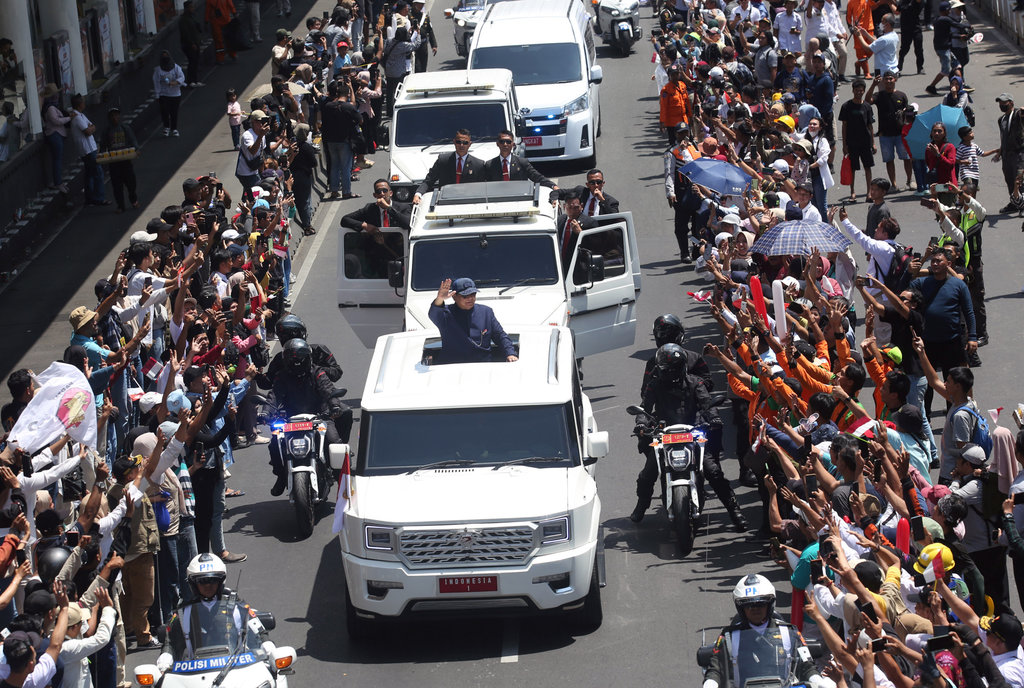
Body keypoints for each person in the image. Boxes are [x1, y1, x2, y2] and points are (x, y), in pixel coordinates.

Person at [633, 343, 748, 531]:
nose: (670, 373)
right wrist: (641, 423)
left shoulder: (696, 382)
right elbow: (644, 408)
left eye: (674, 368)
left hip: (694, 431)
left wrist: (714, 418)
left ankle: (734, 511)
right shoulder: (654, 385)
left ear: (682, 367)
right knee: (648, 473)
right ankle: (642, 505)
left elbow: (707, 403)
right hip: (665, 433)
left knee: (713, 471)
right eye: (666, 369)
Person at [701, 575, 828, 688]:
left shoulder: (790, 633)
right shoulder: (729, 636)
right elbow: (716, 667)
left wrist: (817, 679)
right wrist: (710, 682)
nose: (755, 609)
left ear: (770, 604)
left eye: (761, 604)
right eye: (749, 605)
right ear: (741, 608)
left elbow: (806, 665)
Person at [268, 338, 352, 495]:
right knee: (274, 443)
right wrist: (265, 413)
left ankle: (339, 476)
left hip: (320, 417)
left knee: (335, 442)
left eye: (300, 359)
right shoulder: (282, 376)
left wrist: (334, 405)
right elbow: (273, 397)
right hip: (291, 420)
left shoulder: (317, 372)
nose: (297, 363)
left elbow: (328, 389)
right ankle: (281, 476)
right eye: (293, 359)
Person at [161, 554, 267, 664]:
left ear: (221, 581)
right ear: (193, 583)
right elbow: (170, 643)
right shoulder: (183, 614)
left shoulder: (238, 607)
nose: (208, 586)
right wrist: (164, 658)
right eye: (202, 581)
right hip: (193, 676)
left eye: (212, 580)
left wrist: (268, 647)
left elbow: (261, 633)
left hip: (236, 670)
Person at [428, 278, 517, 364]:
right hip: (453, 366)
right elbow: (434, 313)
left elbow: (500, 336)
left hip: (483, 365)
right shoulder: (445, 314)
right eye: (465, 296)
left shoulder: (486, 312)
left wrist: (510, 353)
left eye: (473, 294)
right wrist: (440, 298)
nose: (470, 298)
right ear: (454, 296)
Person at [866, 72, 912, 190]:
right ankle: (894, 184)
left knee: (906, 158)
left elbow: (909, 114)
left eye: (891, 79)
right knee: (889, 160)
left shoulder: (902, 95)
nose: (888, 81)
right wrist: (873, 85)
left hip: (901, 134)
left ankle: (909, 181)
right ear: (883, 81)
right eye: (886, 79)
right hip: (885, 134)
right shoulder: (879, 95)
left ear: (895, 80)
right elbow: (867, 101)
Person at [413, 129, 484, 204]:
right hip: (445, 202)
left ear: (470, 144)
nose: (461, 145)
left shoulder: (478, 165)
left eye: (465, 143)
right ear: (454, 142)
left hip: (468, 203)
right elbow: (429, 181)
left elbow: (482, 189)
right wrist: (418, 194)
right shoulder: (443, 161)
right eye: (458, 142)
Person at [321, 79, 363, 201]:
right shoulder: (348, 107)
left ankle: (334, 191)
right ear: (347, 95)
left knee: (334, 165)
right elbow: (360, 120)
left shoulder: (328, 106)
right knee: (345, 167)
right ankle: (346, 192)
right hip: (344, 141)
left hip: (330, 141)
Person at [838, 80, 876, 202]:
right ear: (853, 90)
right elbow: (844, 126)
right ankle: (852, 192)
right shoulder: (846, 106)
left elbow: (870, 126)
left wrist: (873, 143)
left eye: (861, 90)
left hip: (865, 142)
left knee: (867, 167)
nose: (859, 92)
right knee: (852, 168)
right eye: (857, 90)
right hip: (852, 142)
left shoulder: (867, 106)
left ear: (864, 91)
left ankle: (869, 192)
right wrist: (844, 145)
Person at [69, 94, 108, 207]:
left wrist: (90, 128)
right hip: (87, 150)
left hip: (90, 148)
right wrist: (90, 128)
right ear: (80, 104)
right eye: (83, 102)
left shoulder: (81, 115)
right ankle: (99, 198)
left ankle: (90, 197)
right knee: (97, 173)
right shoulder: (76, 118)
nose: (84, 104)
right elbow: (88, 131)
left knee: (90, 174)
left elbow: (92, 126)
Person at [482, 131, 555, 188]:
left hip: (519, 199)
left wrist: (553, 186)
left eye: (508, 142)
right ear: (497, 144)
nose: (505, 144)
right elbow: (484, 185)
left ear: (513, 144)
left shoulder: (522, 163)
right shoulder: (490, 165)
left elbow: (537, 177)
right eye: (502, 141)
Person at [100, 107, 139, 214]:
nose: (114, 117)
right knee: (117, 186)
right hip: (114, 162)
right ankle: (120, 206)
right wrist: (102, 155)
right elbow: (103, 145)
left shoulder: (125, 128)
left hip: (125, 161)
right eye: (112, 115)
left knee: (131, 183)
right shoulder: (106, 131)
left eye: (116, 115)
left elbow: (133, 140)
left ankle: (133, 199)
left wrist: (136, 149)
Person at [991, 93, 1024, 209]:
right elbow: (1003, 137)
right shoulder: (1001, 120)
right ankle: (1014, 202)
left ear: (1011, 103)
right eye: (1000, 103)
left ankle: (1023, 204)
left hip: (1019, 153)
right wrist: (999, 153)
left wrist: (1022, 113)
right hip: (1007, 154)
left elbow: (1022, 115)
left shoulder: (1017, 115)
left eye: (1004, 102)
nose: (1001, 105)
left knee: (1019, 178)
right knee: (1009, 178)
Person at [153, 51, 184, 137]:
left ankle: (174, 128)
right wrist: (157, 94)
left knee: (174, 112)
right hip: (164, 94)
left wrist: (176, 82)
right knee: (165, 111)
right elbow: (156, 82)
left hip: (175, 94)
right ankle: (166, 127)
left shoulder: (176, 67)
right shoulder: (158, 70)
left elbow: (182, 77)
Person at [179, 1, 205, 87]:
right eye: (190, 7)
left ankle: (195, 80)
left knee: (196, 61)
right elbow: (185, 33)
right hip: (189, 45)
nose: (192, 9)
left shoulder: (192, 17)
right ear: (186, 8)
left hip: (195, 43)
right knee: (192, 61)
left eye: (192, 7)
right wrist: (192, 43)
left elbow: (196, 29)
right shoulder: (183, 20)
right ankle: (190, 81)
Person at [410, 0, 436, 73]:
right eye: (419, 4)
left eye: (422, 4)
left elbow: (430, 31)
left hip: (423, 45)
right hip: (413, 45)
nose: (421, 6)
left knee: (423, 65)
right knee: (417, 66)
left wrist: (434, 45)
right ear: (414, 4)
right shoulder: (409, 16)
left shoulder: (425, 16)